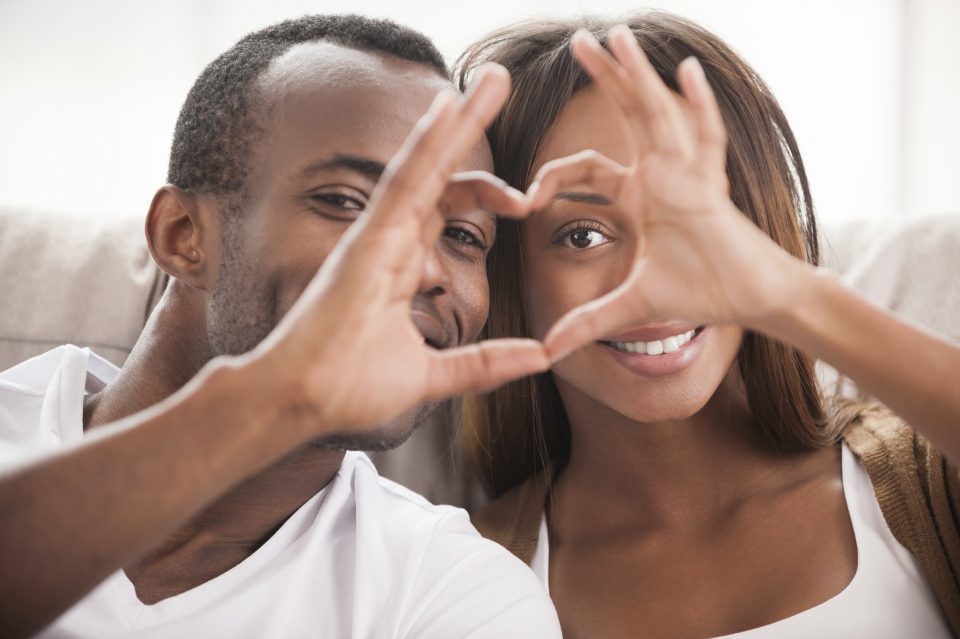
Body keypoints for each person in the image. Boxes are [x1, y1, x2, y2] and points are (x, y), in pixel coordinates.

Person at [0, 15, 562, 639]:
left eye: (461, 234)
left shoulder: (453, 591)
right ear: (182, 235)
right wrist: (268, 404)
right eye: (347, 202)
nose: (422, 266)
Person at [457, 12, 960, 638]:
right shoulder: (460, 575)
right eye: (582, 235)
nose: (653, 276)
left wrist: (788, 295)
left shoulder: (925, 479)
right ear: (507, 274)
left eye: (694, 221)